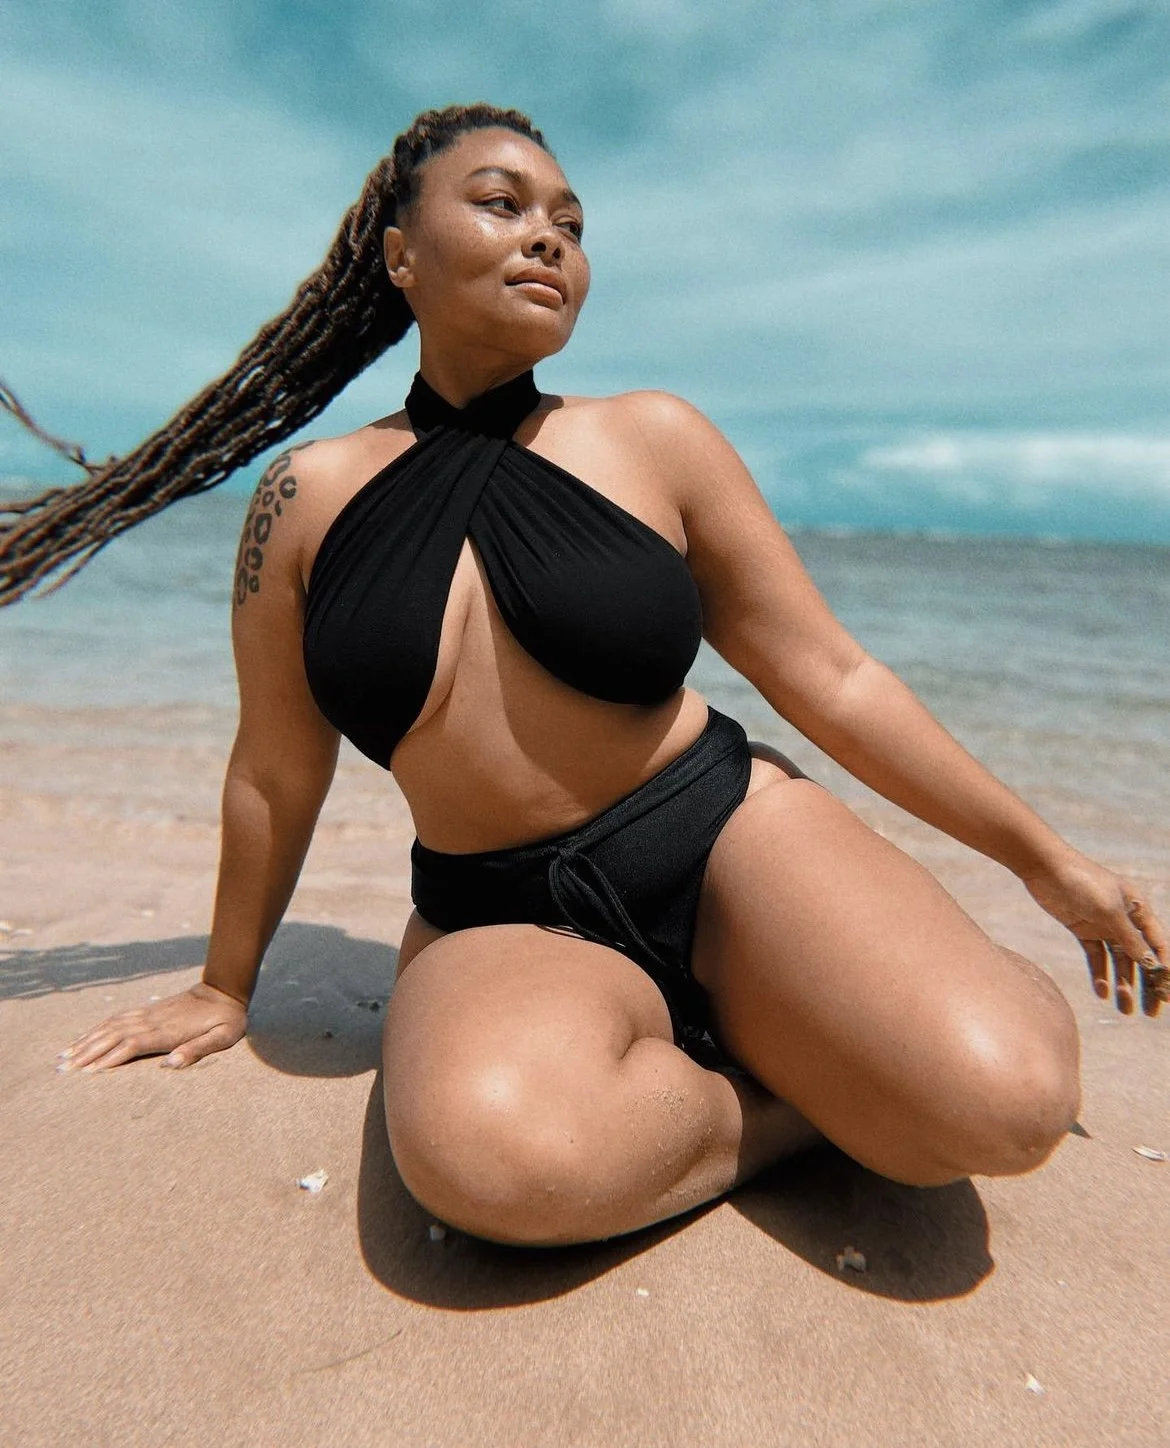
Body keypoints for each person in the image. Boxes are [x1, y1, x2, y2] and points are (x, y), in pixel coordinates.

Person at [15, 104, 1164, 1250]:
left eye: (570, 221)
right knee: (495, 1164)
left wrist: (1042, 858)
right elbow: (273, 766)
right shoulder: (301, 495)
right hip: (499, 913)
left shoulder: (654, 438)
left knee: (1006, 1103)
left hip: (721, 841)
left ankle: (818, 1004)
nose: (548, 238)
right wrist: (226, 985)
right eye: (502, 204)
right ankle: (780, 1099)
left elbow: (835, 675)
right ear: (401, 254)